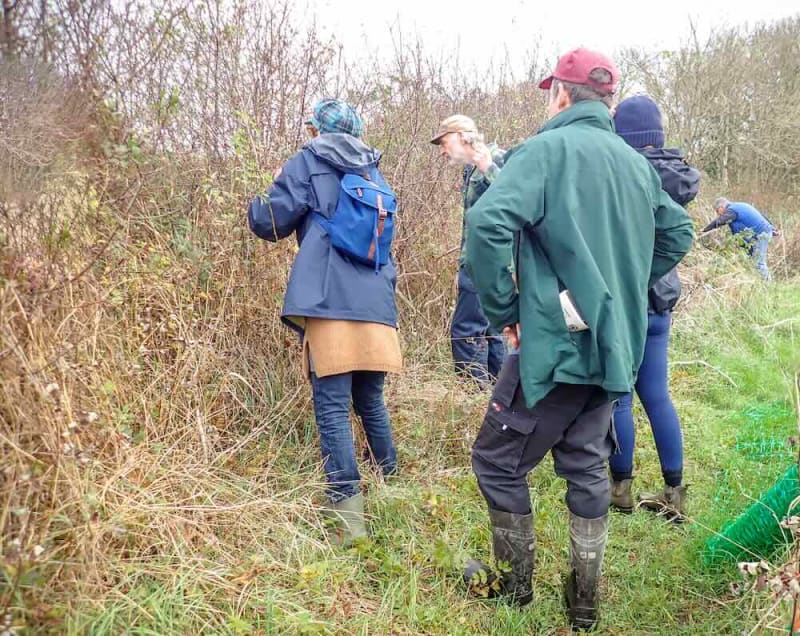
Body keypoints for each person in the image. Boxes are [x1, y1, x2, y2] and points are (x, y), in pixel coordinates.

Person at [461, 49, 694, 630]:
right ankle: (583, 603)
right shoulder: (634, 163)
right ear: (607, 102)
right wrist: (620, 285)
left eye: (551, 92)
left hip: (555, 347)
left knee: (495, 460)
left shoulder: (546, 150)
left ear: (561, 95)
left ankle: (513, 591)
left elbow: (487, 222)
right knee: (587, 464)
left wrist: (508, 309)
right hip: (612, 347)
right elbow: (679, 231)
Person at [247, 99, 402, 546]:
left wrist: (264, 192)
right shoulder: (374, 170)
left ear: (318, 129)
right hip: (376, 301)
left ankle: (349, 517)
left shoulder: (307, 160)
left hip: (329, 299)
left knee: (332, 404)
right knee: (370, 399)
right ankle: (394, 484)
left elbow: (269, 221)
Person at [609, 95, 701, 523]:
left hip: (629, 299)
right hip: (661, 299)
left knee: (621, 398)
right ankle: (674, 493)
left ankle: (620, 488)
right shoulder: (675, 175)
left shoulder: (627, 172)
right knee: (658, 396)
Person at [431, 116, 506, 387]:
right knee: (490, 332)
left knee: (466, 333)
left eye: (444, 141)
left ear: (464, 137)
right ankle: (500, 399)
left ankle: (473, 396)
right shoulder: (471, 170)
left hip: (488, 265)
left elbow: (514, 200)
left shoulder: (496, 159)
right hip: (476, 264)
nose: (442, 149)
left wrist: (487, 167)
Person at [701, 198, 776, 281]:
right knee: (751, 259)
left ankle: (768, 283)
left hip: (761, 235)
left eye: (717, 211)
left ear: (721, 208)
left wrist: (705, 229)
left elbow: (720, 221)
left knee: (758, 263)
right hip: (762, 233)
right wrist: (772, 228)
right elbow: (761, 215)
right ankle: (757, 282)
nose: (718, 214)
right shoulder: (740, 206)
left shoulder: (732, 210)